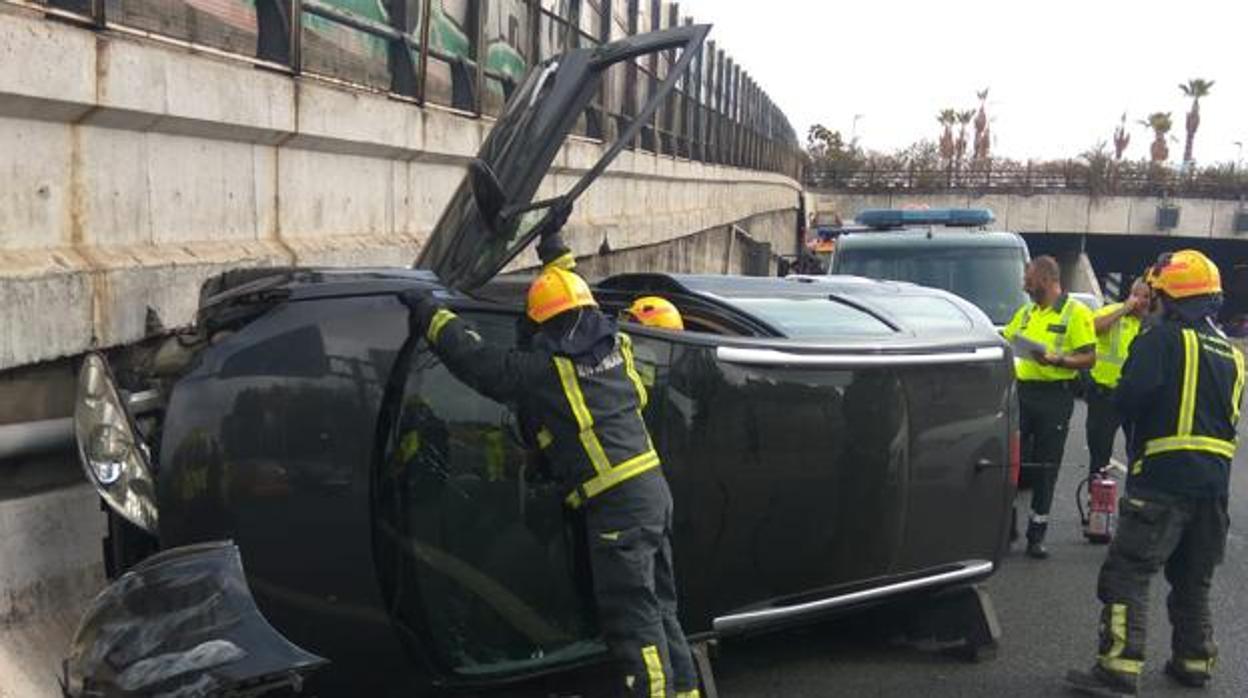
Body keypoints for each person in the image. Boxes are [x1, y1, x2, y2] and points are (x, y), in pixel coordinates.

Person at [402, 232, 700, 698]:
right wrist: (555, 249)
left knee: (632, 621)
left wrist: (431, 315)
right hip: (653, 495)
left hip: (616, 509)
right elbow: (572, 289)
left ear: (543, 323)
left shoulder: (547, 371)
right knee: (661, 607)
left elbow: (478, 361)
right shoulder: (615, 346)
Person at [1066, 250, 1244, 696]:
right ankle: (1194, 661)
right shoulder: (1233, 354)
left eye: (1157, 295)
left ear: (1169, 297)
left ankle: (1119, 668)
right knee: (1192, 579)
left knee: (1128, 571)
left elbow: (1130, 398)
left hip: (1163, 481)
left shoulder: (1161, 340)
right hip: (1214, 489)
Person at [1002, 256, 1097, 559]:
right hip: (1022, 393)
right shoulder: (1027, 312)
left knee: (1046, 467)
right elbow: (1005, 340)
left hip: (1054, 397)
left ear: (1045, 279)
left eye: (1028, 278)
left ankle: (1036, 534)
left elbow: (1089, 358)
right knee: (1009, 462)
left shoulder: (1075, 312)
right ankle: (1006, 529)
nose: (1024, 283)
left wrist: (1059, 360)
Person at [1083, 280, 1151, 486]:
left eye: (1148, 297)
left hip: (1137, 399)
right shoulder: (1113, 311)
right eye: (1139, 296)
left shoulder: (1153, 323)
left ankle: (1137, 497)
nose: (1143, 302)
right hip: (1106, 396)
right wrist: (1123, 310)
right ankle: (1095, 503)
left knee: (1140, 453)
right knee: (1100, 454)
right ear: (1130, 295)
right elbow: (1092, 328)